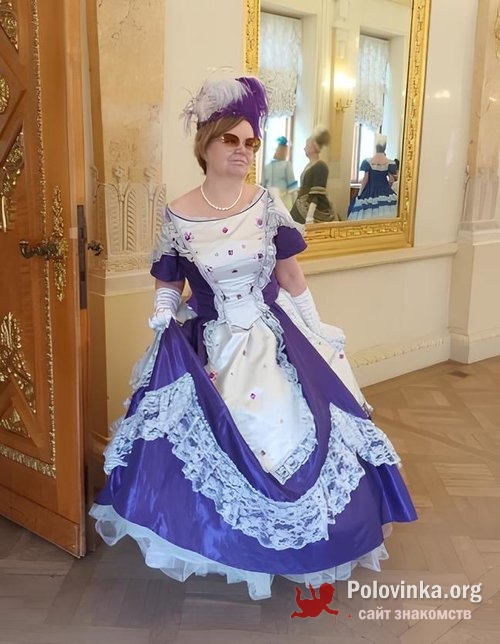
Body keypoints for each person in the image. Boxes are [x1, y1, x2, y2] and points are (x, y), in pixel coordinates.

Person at [90, 75, 417, 601]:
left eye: (251, 142)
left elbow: (289, 275)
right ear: (206, 143)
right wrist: (162, 311)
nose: (243, 150)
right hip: (210, 342)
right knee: (200, 440)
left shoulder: (266, 203)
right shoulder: (178, 213)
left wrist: (315, 326)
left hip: (272, 337)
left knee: (307, 424)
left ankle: (301, 544)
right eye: (231, 139)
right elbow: (169, 279)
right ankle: (216, 542)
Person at [290, 125, 336, 225]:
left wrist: (310, 216)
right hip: (300, 205)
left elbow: (317, 194)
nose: (304, 148)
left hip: (311, 209)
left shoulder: (321, 166)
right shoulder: (309, 165)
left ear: (314, 147)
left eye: (307, 145)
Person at [348, 134, 398, 220]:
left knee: (366, 216)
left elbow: (365, 180)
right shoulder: (390, 162)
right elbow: (391, 180)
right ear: (385, 147)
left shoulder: (368, 161)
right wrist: (387, 187)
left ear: (376, 146)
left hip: (369, 191)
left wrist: (360, 193)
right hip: (385, 190)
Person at [262, 136, 297, 210]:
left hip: (270, 201)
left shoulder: (267, 167)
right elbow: (292, 188)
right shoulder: (287, 165)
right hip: (282, 201)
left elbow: (263, 186)